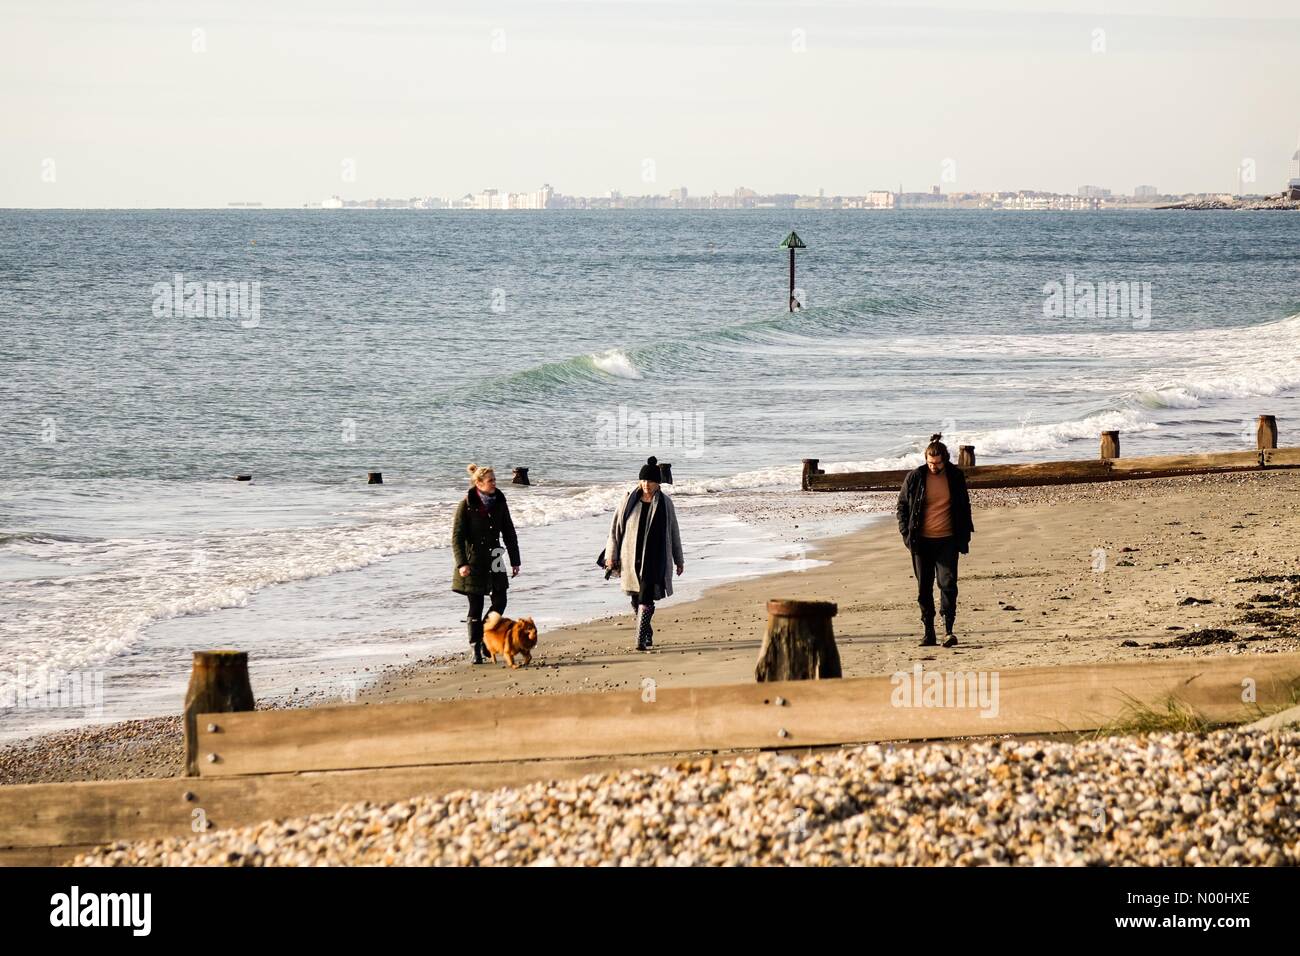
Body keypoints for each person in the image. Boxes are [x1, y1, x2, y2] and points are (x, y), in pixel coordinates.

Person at [896, 434, 974, 648]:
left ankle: (948, 630)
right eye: (931, 463)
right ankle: (928, 632)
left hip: (948, 540)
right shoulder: (915, 477)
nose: (934, 467)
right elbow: (902, 506)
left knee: (948, 584)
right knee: (924, 587)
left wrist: (965, 533)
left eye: (938, 463)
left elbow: (964, 506)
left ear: (945, 459)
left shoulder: (955, 476)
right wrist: (905, 533)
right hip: (921, 542)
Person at [604, 456, 684, 651]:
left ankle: (640, 639)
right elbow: (615, 530)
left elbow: (674, 532)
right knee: (635, 597)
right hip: (631, 557)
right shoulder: (628, 501)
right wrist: (610, 556)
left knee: (646, 596)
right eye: (643, 480)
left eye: (651, 481)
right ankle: (647, 632)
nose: (646, 485)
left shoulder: (665, 503)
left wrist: (678, 559)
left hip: (655, 559)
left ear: (658, 483)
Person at [452, 463, 521, 664]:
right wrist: (462, 563)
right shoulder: (466, 503)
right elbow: (456, 537)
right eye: (491, 480)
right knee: (476, 605)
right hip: (472, 560)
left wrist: (515, 560)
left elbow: (509, 531)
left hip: (496, 557)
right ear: (479, 483)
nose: (494, 483)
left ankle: (484, 637)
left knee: (500, 602)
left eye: (495, 480)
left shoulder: (500, 500)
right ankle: (475, 648)